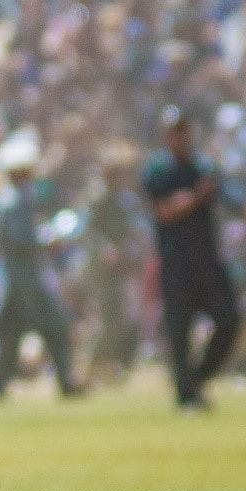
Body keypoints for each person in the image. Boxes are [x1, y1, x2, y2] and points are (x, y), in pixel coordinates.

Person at [140, 104, 245, 409]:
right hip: (176, 264)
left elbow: (228, 194)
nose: (180, 136)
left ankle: (197, 379)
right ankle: (186, 394)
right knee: (179, 333)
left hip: (207, 260)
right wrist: (196, 197)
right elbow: (165, 211)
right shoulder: (158, 171)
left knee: (228, 320)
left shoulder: (203, 166)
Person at [0, 133, 83, 400]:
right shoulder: (15, 200)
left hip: (12, 278)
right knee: (55, 327)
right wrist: (48, 240)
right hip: (26, 279)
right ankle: (65, 380)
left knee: (9, 336)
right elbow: (21, 241)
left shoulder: (5, 199)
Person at [86, 142, 146, 381]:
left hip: (124, 265)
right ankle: (94, 365)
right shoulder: (98, 198)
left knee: (125, 317)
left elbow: (132, 230)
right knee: (108, 317)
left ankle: (115, 365)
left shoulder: (126, 199)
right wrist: (105, 250)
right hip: (104, 268)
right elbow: (91, 231)